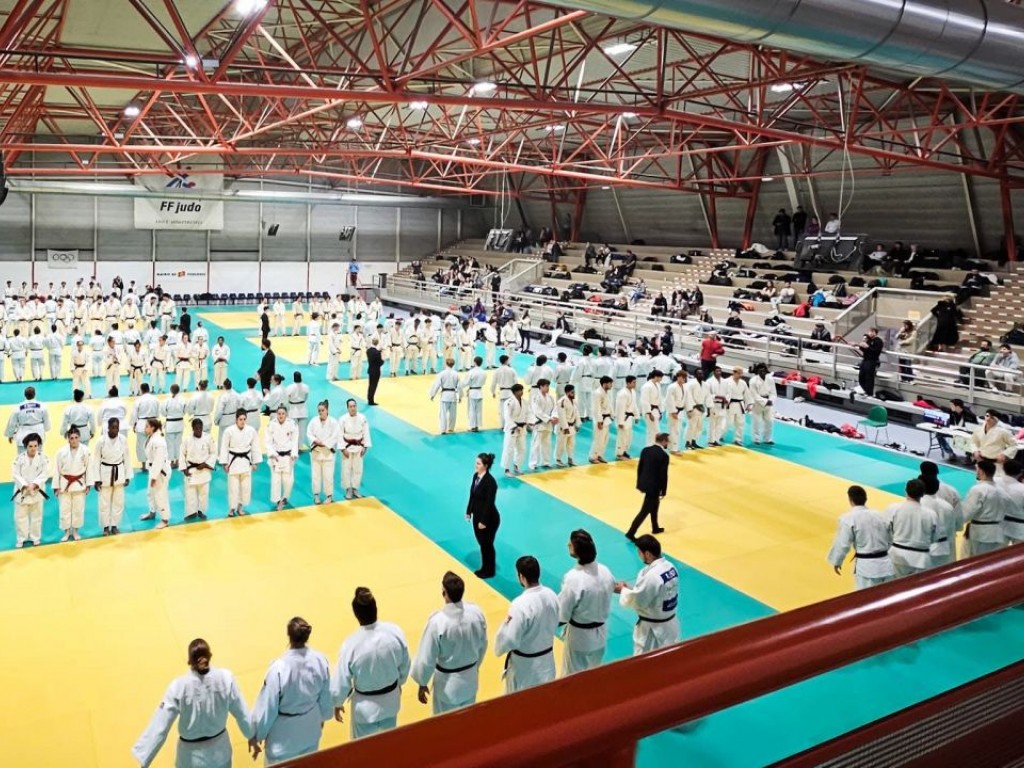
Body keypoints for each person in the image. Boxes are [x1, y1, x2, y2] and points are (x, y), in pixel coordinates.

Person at [132, 638, 252, 768]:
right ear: (209, 655)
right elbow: (242, 714)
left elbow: (160, 727)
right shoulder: (226, 678)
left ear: (190, 660)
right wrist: (253, 735)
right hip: (220, 754)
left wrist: (144, 759)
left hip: (190, 759)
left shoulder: (178, 687)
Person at [249, 617, 333, 765]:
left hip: (283, 741)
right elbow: (325, 696)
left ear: (289, 637)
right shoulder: (320, 660)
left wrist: (257, 734)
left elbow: (268, 708)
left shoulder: (278, 669)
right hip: (309, 731)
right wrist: (322, 717)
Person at [330, 587, 410, 739]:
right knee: (388, 744)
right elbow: (405, 665)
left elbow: (342, 681)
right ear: (376, 609)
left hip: (364, 709)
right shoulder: (395, 633)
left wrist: (337, 702)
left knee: (362, 752)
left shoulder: (351, 644)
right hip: (391, 700)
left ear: (356, 614)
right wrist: (398, 683)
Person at [412, 572, 489, 714]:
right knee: (467, 722)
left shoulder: (438, 622)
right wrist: (475, 667)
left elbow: (427, 657)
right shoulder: (476, 613)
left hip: (447, 686)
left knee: (445, 726)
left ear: (444, 592)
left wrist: (422, 683)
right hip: (470, 679)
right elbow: (483, 645)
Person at [494, 555, 559, 693]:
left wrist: (499, 647)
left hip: (525, 668)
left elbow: (510, 638)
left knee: (520, 706)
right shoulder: (552, 595)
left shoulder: (520, 604)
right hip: (547, 661)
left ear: (521, 577)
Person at [558, 529, 615, 675]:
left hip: (579, 637)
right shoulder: (605, 571)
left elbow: (563, 612)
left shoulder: (573, 578)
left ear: (577, 550)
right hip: (601, 634)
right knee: (593, 676)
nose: (567, 545)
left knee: (571, 678)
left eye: (570, 544)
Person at [615, 534, 681, 655]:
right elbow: (655, 594)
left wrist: (622, 590)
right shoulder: (671, 568)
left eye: (639, 552)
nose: (639, 555)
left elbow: (639, 601)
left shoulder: (652, 575)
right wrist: (631, 589)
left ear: (648, 554)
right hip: (671, 625)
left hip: (653, 630)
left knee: (645, 665)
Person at [827, 485, 894, 589]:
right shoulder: (880, 515)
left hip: (867, 568)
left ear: (850, 500)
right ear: (865, 499)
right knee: (888, 597)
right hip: (887, 565)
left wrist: (837, 561)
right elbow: (891, 538)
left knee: (867, 599)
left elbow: (843, 544)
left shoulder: (848, 519)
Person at [885, 479, 940, 578]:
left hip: (897, 555)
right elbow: (935, 537)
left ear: (905, 491)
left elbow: (886, 530)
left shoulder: (894, 508)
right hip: (921, 558)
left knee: (895, 588)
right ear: (923, 494)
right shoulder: (931, 514)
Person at [91, 417, 133, 536]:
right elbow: (96, 460)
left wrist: (127, 475)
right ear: (108, 427)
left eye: (117, 427)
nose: (115, 429)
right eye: (113, 427)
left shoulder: (123, 439)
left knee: (118, 502)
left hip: (119, 472)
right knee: (104, 502)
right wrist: (97, 479)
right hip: (105, 472)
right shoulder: (101, 441)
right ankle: (105, 527)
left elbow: (127, 458)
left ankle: (114, 525)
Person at [961, 458, 1011, 557]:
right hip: (999, 532)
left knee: (976, 561)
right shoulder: (1003, 491)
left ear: (981, 472)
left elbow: (967, 512)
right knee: (993, 562)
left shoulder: (978, 490)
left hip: (981, 533)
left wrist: (957, 522)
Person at [626, 432, 670, 540]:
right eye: (667, 441)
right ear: (663, 441)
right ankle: (631, 532)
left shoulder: (645, 450)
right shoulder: (664, 456)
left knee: (654, 505)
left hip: (645, 483)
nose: (668, 443)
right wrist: (663, 490)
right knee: (645, 510)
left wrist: (640, 483)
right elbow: (663, 475)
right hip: (654, 487)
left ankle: (655, 527)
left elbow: (640, 468)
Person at [219, 409, 263, 517]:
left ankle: (240, 507)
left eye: (244, 419)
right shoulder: (229, 431)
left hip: (246, 462)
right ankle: (231, 508)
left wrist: (255, 462)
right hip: (233, 462)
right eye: (240, 419)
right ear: (236, 419)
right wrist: (225, 463)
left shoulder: (251, 430)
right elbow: (224, 447)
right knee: (233, 487)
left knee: (245, 487)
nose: (242, 421)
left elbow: (255, 446)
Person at [466, 452, 500, 578]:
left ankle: (489, 570)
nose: (476, 465)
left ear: (485, 466)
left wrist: (484, 521)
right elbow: (472, 495)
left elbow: (489, 503)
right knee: (482, 543)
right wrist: (469, 511)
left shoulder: (491, 482)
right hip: (477, 516)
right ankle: (485, 567)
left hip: (489, 519)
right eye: (476, 463)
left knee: (487, 544)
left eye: (478, 463)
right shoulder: (476, 476)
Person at [12, 433, 49, 548]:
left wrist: (34, 484)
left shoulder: (44, 458)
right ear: (25, 446)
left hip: (37, 490)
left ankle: (35, 537)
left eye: (35, 446)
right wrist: (24, 485)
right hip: (22, 491)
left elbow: (45, 473)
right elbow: (15, 474)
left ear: (38, 446)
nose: (33, 449)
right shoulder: (19, 459)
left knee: (37, 516)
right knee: (20, 517)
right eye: (30, 446)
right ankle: (21, 538)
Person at [180, 417, 216, 522]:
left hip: (204, 469)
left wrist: (205, 464)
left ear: (202, 428)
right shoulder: (187, 439)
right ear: (192, 428)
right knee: (190, 493)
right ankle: (191, 512)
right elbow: (182, 454)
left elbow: (213, 453)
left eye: (200, 428)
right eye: (196, 428)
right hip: (191, 469)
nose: (198, 430)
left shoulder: (208, 438)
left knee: (204, 493)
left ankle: (202, 511)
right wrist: (183, 469)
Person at [920, 474, 959, 568]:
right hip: (945, 547)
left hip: (924, 549)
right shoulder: (947, 506)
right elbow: (955, 526)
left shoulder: (919, 506)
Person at [140, 418, 171, 529]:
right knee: (150, 493)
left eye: (147, 426)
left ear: (152, 427)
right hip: (153, 469)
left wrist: (154, 477)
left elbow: (159, 460)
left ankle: (165, 519)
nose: (145, 428)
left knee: (160, 495)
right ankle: (152, 512)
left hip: (160, 472)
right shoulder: (152, 437)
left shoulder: (159, 441)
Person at [307, 400, 340, 505]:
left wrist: (324, 443)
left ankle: (329, 496)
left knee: (328, 475)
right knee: (315, 475)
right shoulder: (313, 421)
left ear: (327, 410)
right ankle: (316, 495)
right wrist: (316, 441)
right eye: (319, 410)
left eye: (322, 410)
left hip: (328, 452)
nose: (320, 412)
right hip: (316, 451)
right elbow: (309, 433)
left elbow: (335, 436)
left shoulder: (333, 422)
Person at [266, 406, 299, 511]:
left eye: (283, 413)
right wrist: (271, 452)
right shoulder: (271, 424)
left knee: (289, 480)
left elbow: (295, 440)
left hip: (288, 456)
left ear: (286, 414)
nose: (281, 416)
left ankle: (285, 497)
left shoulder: (292, 424)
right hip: (275, 456)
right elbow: (268, 441)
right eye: (279, 414)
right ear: (276, 414)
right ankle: (277, 501)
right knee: (276, 480)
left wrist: (294, 453)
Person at [339, 398, 371, 500]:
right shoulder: (343, 419)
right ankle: (348, 489)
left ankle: (355, 488)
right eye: (351, 406)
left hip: (359, 446)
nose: (353, 408)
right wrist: (343, 448)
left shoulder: (362, 418)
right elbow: (340, 435)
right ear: (347, 408)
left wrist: (365, 447)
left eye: (354, 406)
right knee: (346, 469)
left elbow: (366, 433)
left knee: (358, 469)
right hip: (347, 447)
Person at [5, 385, 51, 452]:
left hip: (23, 435)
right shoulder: (42, 406)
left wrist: (10, 434)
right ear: (35, 394)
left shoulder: (18, 407)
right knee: (38, 456)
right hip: (38, 434)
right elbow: (47, 423)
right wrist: (46, 428)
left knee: (22, 457)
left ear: (25, 395)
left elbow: (12, 423)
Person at [528, 378, 558, 470]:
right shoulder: (535, 397)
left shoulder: (550, 397)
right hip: (539, 423)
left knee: (547, 444)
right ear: (540, 386)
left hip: (548, 424)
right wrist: (549, 418)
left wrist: (554, 416)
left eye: (548, 386)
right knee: (536, 444)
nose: (548, 388)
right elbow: (537, 411)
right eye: (546, 386)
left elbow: (555, 409)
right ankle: (533, 463)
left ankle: (546, 462)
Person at [501, 384, 529, 476]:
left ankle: (517, 466)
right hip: (512, 428)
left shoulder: (524, 402)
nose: (522, 392)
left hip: (522, 428)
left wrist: (530, 422)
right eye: (520, 390)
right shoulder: (509, 402)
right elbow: (507, 416)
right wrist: (514, 426)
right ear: (515, 392)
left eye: (522, 390)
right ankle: (506, 469)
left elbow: (528, 414)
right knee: (509, 449)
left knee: (522, 448)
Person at [429, 358, 460, 434]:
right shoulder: (456, 374)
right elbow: (459, 386)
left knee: (443, 413)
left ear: (446, 364)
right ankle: (451, 428)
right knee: (453, 413)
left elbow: (437, 385)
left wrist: (433, 394)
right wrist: (460, 396)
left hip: (445, 395)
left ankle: (443, 429)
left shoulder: (442, 373)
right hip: (453, 395)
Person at [997, 459, 1024, 546]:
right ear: (1020, 473)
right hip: (1020, 528)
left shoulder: (994, 482)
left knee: (997, 556)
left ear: (1003, 469)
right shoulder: (1022, 489)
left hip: (999, 525)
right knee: (1019, 557)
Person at [723, 366, 752, 446]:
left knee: (740, 423)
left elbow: (747, 394)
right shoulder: (726, 381)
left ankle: (737, 439)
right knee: (728, 422)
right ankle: (719, 435)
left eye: (741, 373)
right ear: (734, 372)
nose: (740, 375)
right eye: (739, 373)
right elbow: (723, 393)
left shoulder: (743, 383)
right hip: (730, 404)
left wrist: (749, 404)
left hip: (740, 405)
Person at [588, 376, 614, 464]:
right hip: (600, 419)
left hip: (606, 419)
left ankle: (599, 455)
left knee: (605, 439)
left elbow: (609, 405)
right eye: (610, 383)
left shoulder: (606, 393)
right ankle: (593, 456)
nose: (611, 385)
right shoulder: (597, 393)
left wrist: (612, 415)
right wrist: (599, 421)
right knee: (598, 438)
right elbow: (596, 409)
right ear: (605, 384)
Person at [749, 364, 776, 445]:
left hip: (769, 401)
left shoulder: (770, 379)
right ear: (757, 371)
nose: (762, 372)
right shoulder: (753, 381)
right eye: (760, 370)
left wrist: (771, 400)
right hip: (757, 403)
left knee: (769, 421)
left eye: (764, 370)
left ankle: (767, 439)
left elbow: (773, 392)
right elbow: (754, 394)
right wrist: (764, 401)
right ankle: (756, 439)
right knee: (756, 421)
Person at [614, 375, 638, 460]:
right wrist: (620, 422)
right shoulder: (622, 393)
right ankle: (619, 454)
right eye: (633, 382)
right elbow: (620, 408)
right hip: (623, 417)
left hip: (629, 417)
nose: (635, 384)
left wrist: (636, 416)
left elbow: (634, 405)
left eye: (635, 382)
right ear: (628, 383)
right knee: (622, 436)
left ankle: (624, 451)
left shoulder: (633, 392)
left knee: (628, 436)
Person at [855, 328, 885, 396]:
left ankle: (869, 392)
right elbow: (864, 349)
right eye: (869, 331)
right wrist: (861, 344)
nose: (870, 333)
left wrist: (868, 347)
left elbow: (876, 351)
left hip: (872, 361)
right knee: (861, 376)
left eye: (872, 332)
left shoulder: (878, 341)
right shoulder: (868, 340)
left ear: (875, 333)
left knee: (869, 377)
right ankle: (862, 389)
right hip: (865, 360)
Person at [286, 372, 311, 449]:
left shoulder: (289, 387)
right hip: (303, 408)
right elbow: (306, 397)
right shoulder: (306, 387)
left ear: (294, 378)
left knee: (293, 429)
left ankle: (293, 446)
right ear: (301, 377)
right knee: (302, 430)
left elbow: (287, 398)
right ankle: (299, 446)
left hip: (293, 409)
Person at [639, 370, 664, 446]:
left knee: (653, 431)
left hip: (656, 410)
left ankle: (651, 447)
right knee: (654, 430)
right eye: (660, 377)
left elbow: (660, 399)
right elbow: (644, 401)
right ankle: (652, 446)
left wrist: (660, 411)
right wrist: (649, 413)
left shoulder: (657, 385)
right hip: (650, 411)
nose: (661, 379)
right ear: (656, 377)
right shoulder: (646, 386)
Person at [366, 338, 383, 405]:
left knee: (370, 385)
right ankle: (371, 400)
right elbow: (380, 362)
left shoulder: (368, 351)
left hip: (370, 370)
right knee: (374, 386)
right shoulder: (377, 352)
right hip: (376, 371)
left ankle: (369, 398)